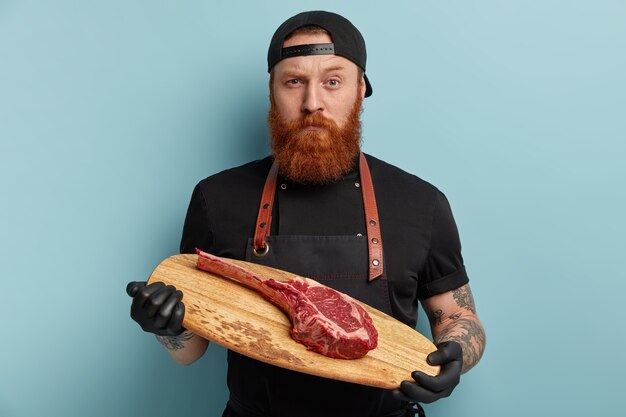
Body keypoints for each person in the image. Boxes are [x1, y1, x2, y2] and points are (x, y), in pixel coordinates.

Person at [126, 10, 486, 417]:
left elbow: (458, 317)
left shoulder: (420, 202)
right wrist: (165, 328)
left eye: (333, 81)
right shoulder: (217, 199)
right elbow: (189, 352)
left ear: (360, 89)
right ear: (272, 91)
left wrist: (456, 356)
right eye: (294, 81)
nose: (312, 102)